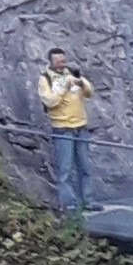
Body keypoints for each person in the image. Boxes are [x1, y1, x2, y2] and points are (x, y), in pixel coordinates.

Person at [36, 48, 95, 213]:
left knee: (85, 167)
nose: (62, 64)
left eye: (63, 60)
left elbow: (89, 92)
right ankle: (69, 204)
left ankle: (88, 200)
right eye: (58, 61)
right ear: (51, 61)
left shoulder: (72, 73)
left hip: (80, 126)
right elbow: (49, 101)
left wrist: (81, 82)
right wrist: (64, 89)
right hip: (63, 128)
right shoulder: (45, 79)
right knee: (65, 169)